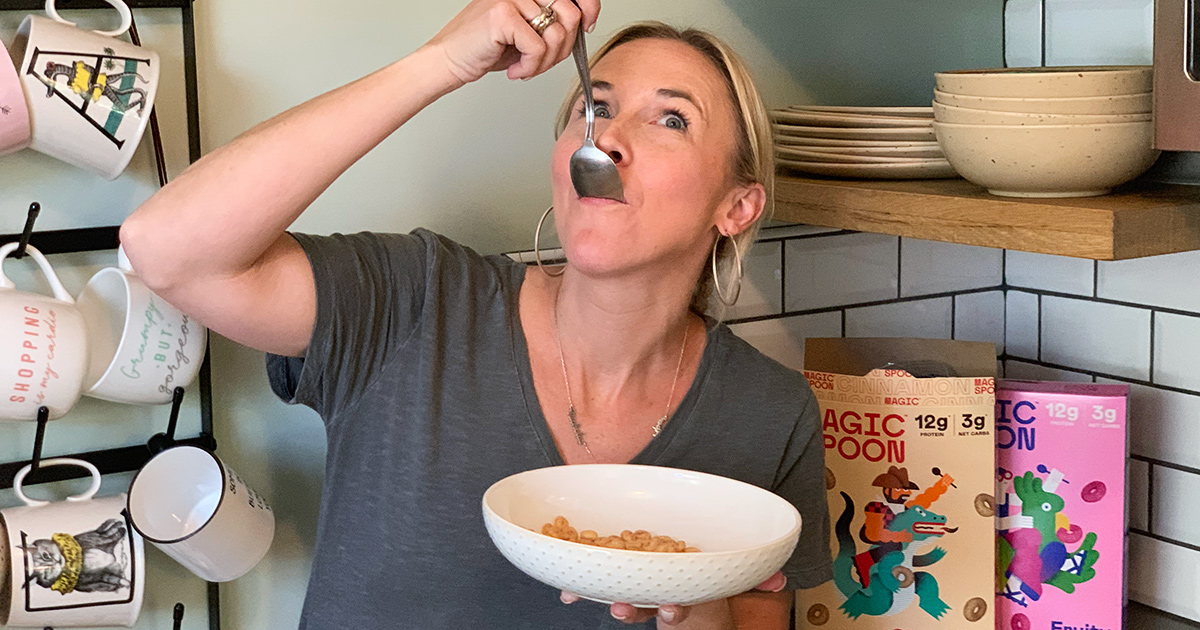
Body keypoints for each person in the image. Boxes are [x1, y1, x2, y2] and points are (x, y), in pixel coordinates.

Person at [119, 0, 832, 627]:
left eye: (671, 119)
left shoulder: (769, 416)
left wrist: (700, 600)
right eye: (597, 106)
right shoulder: (417, 301)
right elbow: (165, 250)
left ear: (736, 208)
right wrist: (442, 61)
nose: (608, 139)